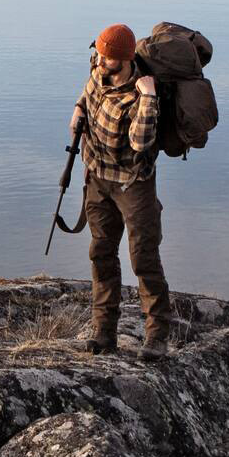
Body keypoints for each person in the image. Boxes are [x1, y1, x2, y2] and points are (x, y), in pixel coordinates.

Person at [67, 22, 172, 358]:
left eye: (106, 56)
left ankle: (156, 337)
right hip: (97, 178)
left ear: (124, 59)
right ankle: (103, 333)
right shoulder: (99, 69)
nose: (99, 60)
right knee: (101, 253)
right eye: (98, 54)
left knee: (143, 257)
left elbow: (140, 142)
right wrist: (79, 107)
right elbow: (88, 92)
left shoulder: (140, 94)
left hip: (133, 184)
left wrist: (149, 96)